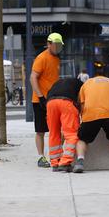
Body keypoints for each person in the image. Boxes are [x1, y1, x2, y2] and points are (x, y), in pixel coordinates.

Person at [73, 68, 109, 173]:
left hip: (90, 114)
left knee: (82, 139)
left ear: (94, 76)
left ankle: (80, 161)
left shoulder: (87, 83)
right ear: (106, 76)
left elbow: (82, 104)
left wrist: (84, 120)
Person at [30, 32, 64, 168]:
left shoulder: (57, 59)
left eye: (59, 45)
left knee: (59, 128)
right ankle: (40, 157)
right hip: (40, 100)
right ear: (48, 44)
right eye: (55, 45)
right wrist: (40, 97)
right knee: (40, 130)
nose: (57, 48)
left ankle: (56, 154)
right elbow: (33, 78)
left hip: (54, 99)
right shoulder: (41, 58)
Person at [46, 78, 83, 172]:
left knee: (54, 133)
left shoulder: (59, 82)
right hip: (66, 102)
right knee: (71, 133)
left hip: (50, 103)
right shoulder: (82, 85)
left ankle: (55, 162)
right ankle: (65, 162)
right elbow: (82, 100)